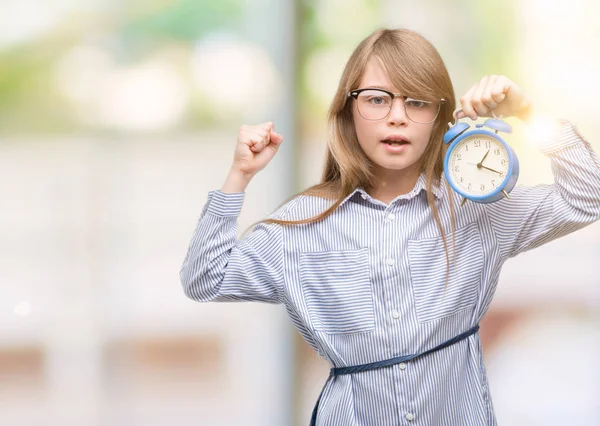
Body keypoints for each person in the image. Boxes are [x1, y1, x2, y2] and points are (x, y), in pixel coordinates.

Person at [179, 28, 600, 426]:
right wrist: (238, 177)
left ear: (439, 117)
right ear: (349, 111)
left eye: (416, 102)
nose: (397, 117)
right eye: (377, 100)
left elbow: (588, 196)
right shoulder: (302, 224)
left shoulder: (476, 210)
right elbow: (204, 278)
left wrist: (527, 113)